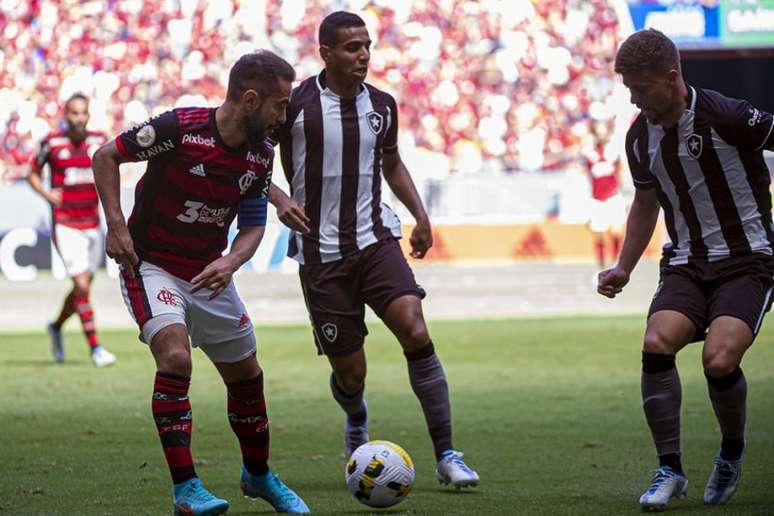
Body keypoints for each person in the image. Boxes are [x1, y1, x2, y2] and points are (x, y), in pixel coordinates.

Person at [92, 50, 310, 515]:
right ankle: (186, 490)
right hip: (151, 265)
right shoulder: (177, 129)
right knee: (175, 356)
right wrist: (116, 225)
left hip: (209, 273)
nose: (283, 116)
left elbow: (253, 226)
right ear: (250, 99)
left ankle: (258, 475)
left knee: (247, 376)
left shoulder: (260, 155)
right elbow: (106, 155)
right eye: (280, 104)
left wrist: (231, 261)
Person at [270, 11, 479, 489]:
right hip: (320, 255)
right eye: (351, 47)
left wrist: (421, 216)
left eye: (366, 45)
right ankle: (356, 414)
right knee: (351, 372)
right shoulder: (296, 104)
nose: (363, 55)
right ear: (326, 53)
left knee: (414, 328)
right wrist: (279, 198)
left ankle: (447, 455)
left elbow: (391, 162)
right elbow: (253, 154)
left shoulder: (382, 105)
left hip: (375, 240)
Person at [598, 29, 774, 511]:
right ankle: (670, 469)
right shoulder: (640, 137)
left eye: (640, 88)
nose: (634, 99)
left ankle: (731, 454)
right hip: (686, 264)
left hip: (748, 261)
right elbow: (645, 203)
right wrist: (623, 267)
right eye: (628, 89)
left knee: (718, 359)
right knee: (656, 342)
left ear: (672, 78)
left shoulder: (728, 116)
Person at [27, 93, 117, 367]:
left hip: (92, 223)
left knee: (82, 290)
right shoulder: (52, 143)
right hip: (65, 223)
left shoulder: (99, 141)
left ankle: (55, 326)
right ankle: (96, 349)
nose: (79, 118)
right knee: (80, 285)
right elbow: (31, 172)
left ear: (88, 115)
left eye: (83, 113)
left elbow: (113, 167)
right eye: (74, 113)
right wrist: (46, 193)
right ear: (65, 115)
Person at [585, 123, 626, 269]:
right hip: (597, 198)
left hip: (612, 196)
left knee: (616, 231)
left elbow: (620, 172)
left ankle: (616, 263)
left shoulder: (612, 153)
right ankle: (601, 267)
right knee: (598, 234)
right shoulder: (590, 154)